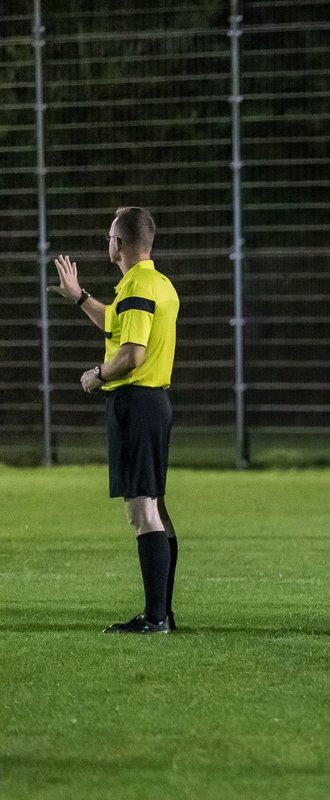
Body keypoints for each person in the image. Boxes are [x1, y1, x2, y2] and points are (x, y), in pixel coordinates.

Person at [49, 206, 181, 634]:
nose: (107, 242)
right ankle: (163, 612)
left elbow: (132, 354)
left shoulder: (139, 285)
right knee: (155, 504)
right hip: (153, 402)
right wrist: (81, 297)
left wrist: (96, 375)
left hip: (136, 403)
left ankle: (156, 618)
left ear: (119, 244)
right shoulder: (154, 283)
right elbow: (117, 325)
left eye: (109, 236)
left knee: (142, 510)